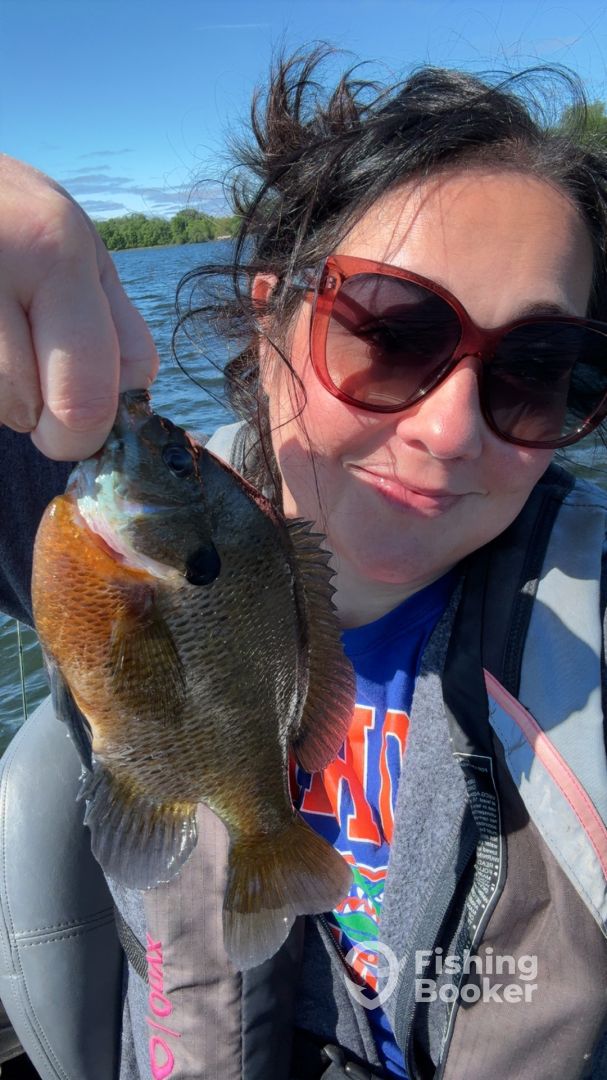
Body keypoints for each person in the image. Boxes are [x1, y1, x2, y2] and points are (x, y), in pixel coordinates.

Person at [0, 46, 607, 1080]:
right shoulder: (111, 522)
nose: (449, 432)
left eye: (537, 369)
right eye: (391, 332)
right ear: (269, 315)